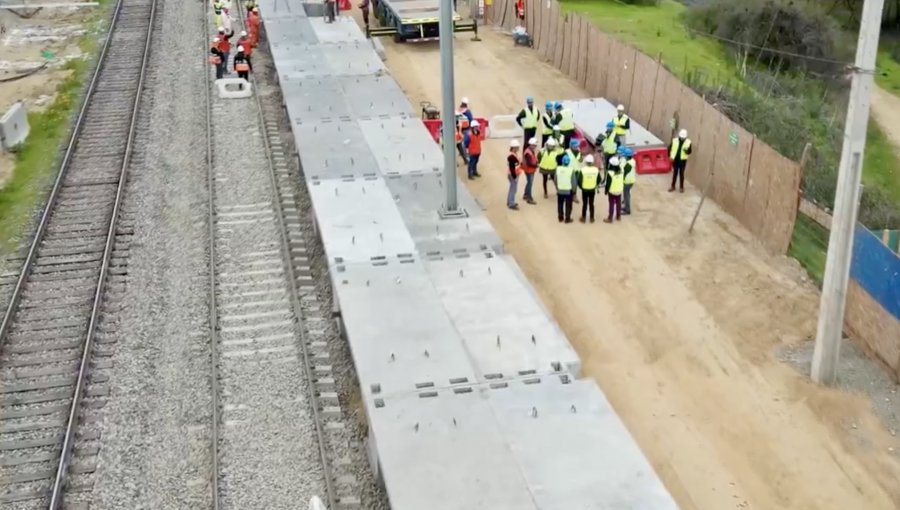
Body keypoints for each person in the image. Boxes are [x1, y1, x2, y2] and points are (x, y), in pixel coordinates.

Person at [578, 154, 600, 223]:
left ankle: (583, 217)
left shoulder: (582, 170)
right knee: (591, 203)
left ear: (586, 162)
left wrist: (581, 187)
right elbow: (599, 179)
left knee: (584, 203)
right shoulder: (596, 170)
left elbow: (579, 181)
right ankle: (592, 218)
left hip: (584, 189)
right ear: (592, 162)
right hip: (592, 189)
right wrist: (595, 184)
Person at [669, 128, 692, 193]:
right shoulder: (675, 141)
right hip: (676, 160)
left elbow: (690, 151)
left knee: (681, 174)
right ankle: (673, 186)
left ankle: (681, 187)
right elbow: (670, 148)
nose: (682, 138)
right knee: (675, 173)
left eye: (683, 137)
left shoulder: (688, 142)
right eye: (681, 137)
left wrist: (687, 151)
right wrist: (670, 156)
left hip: (683, 161)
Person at [555, 154, 576, 223]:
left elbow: (555, 180)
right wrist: (574, 191)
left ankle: (560, 217)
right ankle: (567, 218)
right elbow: (573, 182)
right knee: (568, 205)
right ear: (569, 162)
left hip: (560, 190)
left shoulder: (558, 169)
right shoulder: (571, 170)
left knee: (560, 204)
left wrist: (557, 188)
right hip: (568, 191)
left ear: (562, 161)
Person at [561, 139, 583, 204]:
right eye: (575, 146)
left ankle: (574, 195)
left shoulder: (579, 152)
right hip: (568, 170)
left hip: (576, 170)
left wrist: (581, 156)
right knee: (567, 184)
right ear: (571, 146)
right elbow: (563, 161)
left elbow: (580, 160)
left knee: (574, 184)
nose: (577, 147)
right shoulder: (566, 152)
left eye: (577, 146)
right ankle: (566, 196)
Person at [604, 156, 623, 223]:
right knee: (618, 203)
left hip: (612, 191)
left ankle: (610, 218)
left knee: (611, 204)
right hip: (619, 190)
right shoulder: (621, 171)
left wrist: (606, 191)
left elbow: (608, 184)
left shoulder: (609, 173)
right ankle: (618, 216)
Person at [521, 137, 538, 204]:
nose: (535, 146)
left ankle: (525, 194)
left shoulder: (529, 150)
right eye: (534, 145)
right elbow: (529, 163)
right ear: (531, 144)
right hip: (529, 170)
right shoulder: (528, 153)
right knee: (530, 184)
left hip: (530, 170)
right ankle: (529, 198)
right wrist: (536, 165)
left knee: (529, 182)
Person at [507, 139, 522, 210]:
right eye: (517, 147)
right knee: (513, 189)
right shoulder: (511, 157)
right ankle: (511, 203)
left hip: (514, 174)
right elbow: (512, 168)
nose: (518, 148)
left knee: (512, 189)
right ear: (513, 148)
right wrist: (515, 176)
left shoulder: (513, 155)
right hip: (513, 175)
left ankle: (509, 201)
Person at [621, 147, 636, 215]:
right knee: (627, 195)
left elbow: (624, 173)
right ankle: (626, 207)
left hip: (627, 181)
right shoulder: (632, 161)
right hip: (631, 180)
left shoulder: (628, 165)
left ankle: (627, 210)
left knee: (626, 196)